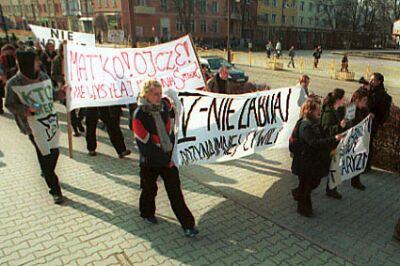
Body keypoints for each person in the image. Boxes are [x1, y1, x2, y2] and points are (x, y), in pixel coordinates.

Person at [132, 80, 199, 237]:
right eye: (155, 94)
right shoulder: (138, 115)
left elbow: (174, 106)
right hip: (149, 161)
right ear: (146, 94)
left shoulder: (163, 107)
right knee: (150, 190)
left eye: (160, 93)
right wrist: (165, 160)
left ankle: (188, 225)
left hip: (167, 159)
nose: (159, 96)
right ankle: (146, 212)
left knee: (175, 192)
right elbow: (146, 146)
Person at [5, 49, 65, 204]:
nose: (39, 63)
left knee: (54, 153)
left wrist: (61, 94)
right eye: (36, 60)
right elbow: (10, 105)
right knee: (45, 155)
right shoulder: (13, 83)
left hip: (50, 123)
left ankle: (47, 171)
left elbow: (51, 95)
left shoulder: (44, 77)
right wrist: (27, 110)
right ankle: (55, 190)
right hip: (32, 127)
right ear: (27, 64)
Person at [292, 97, 342, 217]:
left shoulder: (315, 123)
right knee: (307, 185)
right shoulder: (305, 125)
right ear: (310, 111)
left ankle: (298, 195)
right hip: (305, 162)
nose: (320, 112)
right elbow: (314, 143)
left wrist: (337, 134)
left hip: (312, 162)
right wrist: (333, 139)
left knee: (310, 184)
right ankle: (303, 208)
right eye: (317, 110)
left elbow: (323, 137)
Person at [51, 43, 85, 136]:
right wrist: (64, 79)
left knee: (84, 106)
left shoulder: (75, 58)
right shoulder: (57, 60)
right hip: (65, 86)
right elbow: (54, 74)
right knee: (71, 109)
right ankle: (75, 128)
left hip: (77, 85)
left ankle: (78, 121)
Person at [320, 88, 347, 199]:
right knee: (326, 168)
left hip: (335, 144)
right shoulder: (328, 111)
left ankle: (331, 189)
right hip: (329, 145)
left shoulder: (337, 109)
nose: (345, 99)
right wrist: (339, 126)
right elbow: (325, 129)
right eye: (343, 97)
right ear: (338, 99)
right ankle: (302, 188)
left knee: (334, 167)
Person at [366, 73, 392, 172]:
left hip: (372, 123)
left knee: (367, 144)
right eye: (370, 79)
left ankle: (366, 166)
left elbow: (370, 105)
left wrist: (368, 93)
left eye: (372, 80)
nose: (370, 82)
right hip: (371, 122)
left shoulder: (380, 95)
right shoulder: (374, 91)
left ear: (379, 82)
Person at [347, 87, 370, 190]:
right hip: (350, 139)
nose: (366, 102)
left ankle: (355, 180)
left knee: (357, 159)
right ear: (357, 100)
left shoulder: (363, 110)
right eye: (364, 100)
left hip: (358, 139)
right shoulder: (350, 109)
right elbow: (349, 125)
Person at [0, 44, 17, 114]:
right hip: (4, 78)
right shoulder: (2, 58)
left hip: (12, 77)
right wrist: (4, 78)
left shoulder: (15, 57)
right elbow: (1, 69)